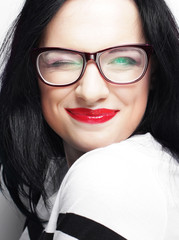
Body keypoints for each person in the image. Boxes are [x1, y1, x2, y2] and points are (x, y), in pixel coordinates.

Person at [0, 0, 179, 239]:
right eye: (61, 61)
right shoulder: (47, 179)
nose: (90, 92)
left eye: (122, 60)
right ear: (33, 72)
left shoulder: (109, 176)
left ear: (153, 72)